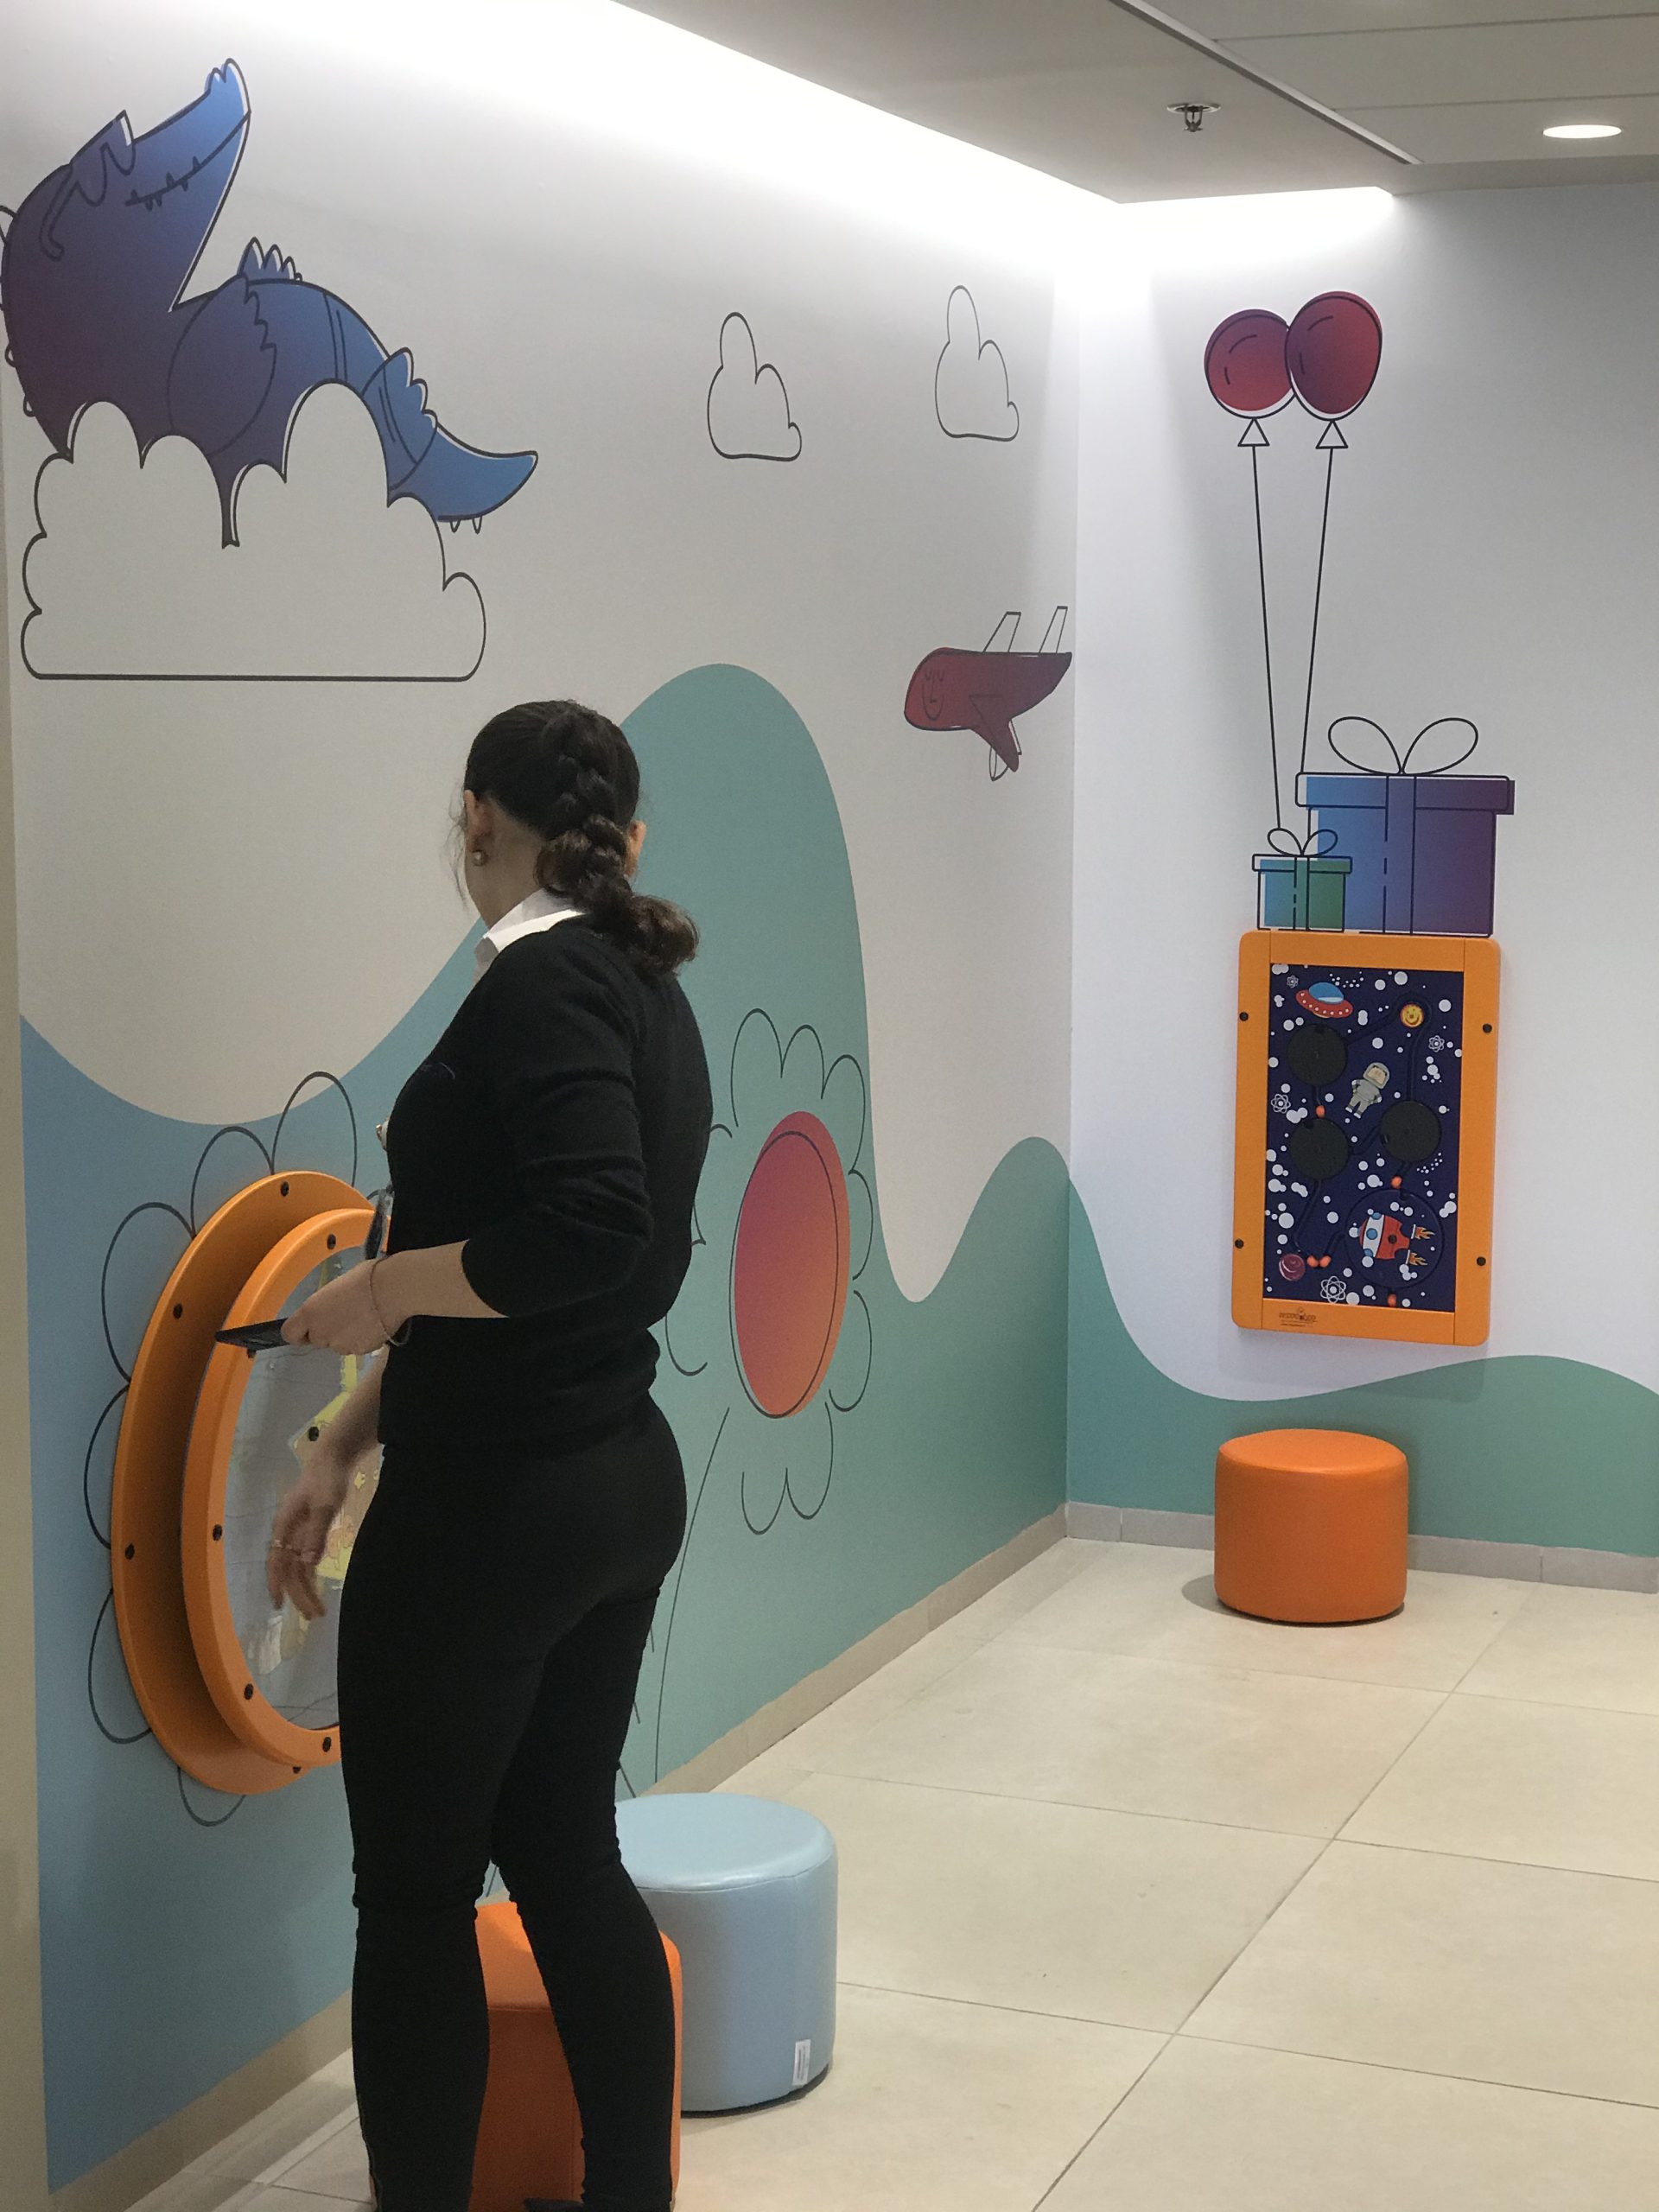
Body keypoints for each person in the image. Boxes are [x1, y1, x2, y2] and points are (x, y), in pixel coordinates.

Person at [266, 700, 713, 2212]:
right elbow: (551, 1269)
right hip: (610, 1479)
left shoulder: (545, 983)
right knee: (566, 1858)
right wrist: (347, 1431)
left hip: (495, 1518)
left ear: (476, 819)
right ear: (626, 836)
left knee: (414, 1901)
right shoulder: (642, 984)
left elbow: (584, 1230)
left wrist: (384, 1291)